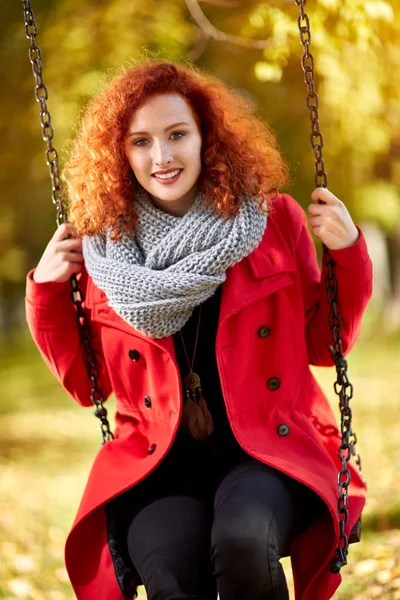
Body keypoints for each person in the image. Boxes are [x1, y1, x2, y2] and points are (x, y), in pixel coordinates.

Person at [25, 59, 373, 600]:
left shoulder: (271, 220)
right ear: (121, 154)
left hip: (266, 449)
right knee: (171, 575)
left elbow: (326, 345)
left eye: (177, 134)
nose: (161, 157)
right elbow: (87, 386)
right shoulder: (102, 251)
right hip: (159, 464)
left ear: (205, 138)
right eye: (141, 141)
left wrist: (348, 253)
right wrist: (46, 291)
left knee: (243, 542)